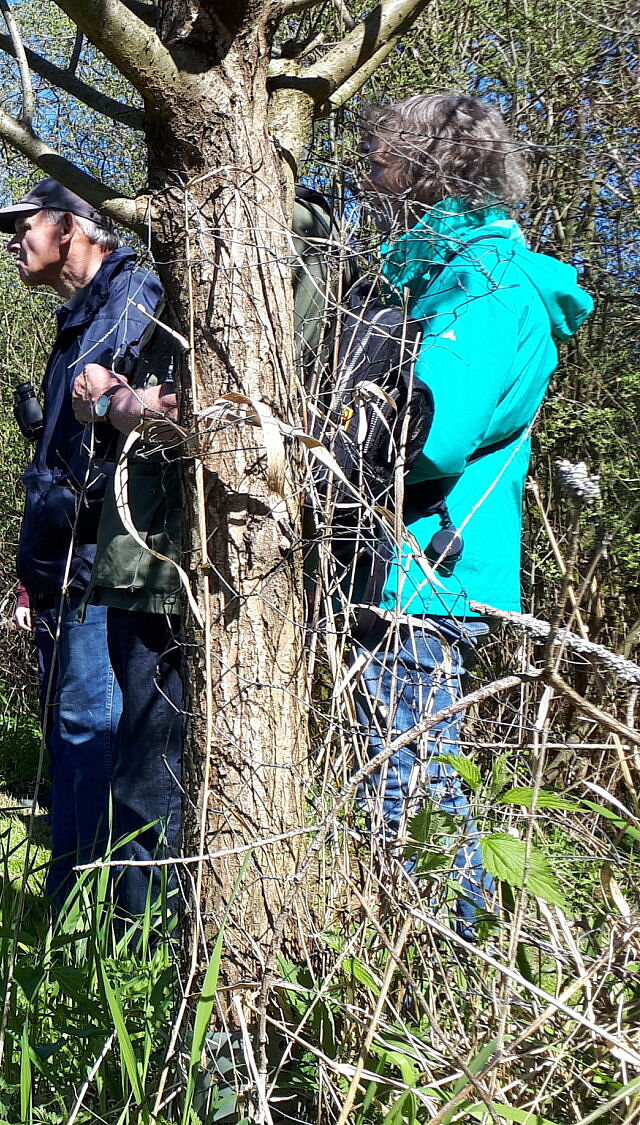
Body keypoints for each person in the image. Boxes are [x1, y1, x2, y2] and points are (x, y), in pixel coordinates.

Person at [349, 94, 593, 935]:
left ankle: (448, 962)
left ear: (429, 166)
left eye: (380, 158)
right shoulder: (443, 274)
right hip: (402, 567)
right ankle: (431, 965)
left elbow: (429, 435)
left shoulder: (486, 284)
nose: (366, 176)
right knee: (403, 781)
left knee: (405, 789)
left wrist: (326, 431)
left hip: (422, 574)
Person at [0, 178, 160, 908]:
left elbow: (113, 425)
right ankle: (75, 910)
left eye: (24, 223)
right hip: (61, 568)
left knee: (92, 729)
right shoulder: (77, 317)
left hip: (97, 564)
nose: (12, 239)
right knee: (72, 731)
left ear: (75, 226)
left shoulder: (131, 294)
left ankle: (85, 915)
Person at [69, 341, 188, 927]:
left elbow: (205, 407)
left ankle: (143, 941)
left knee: (153, 772)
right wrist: (117, 400)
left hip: (171, 578)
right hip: (131, 574)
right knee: (138, 764)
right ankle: (128, 931)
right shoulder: (156, 305)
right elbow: (97, 402)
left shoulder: (258, 281)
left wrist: (120, 397)